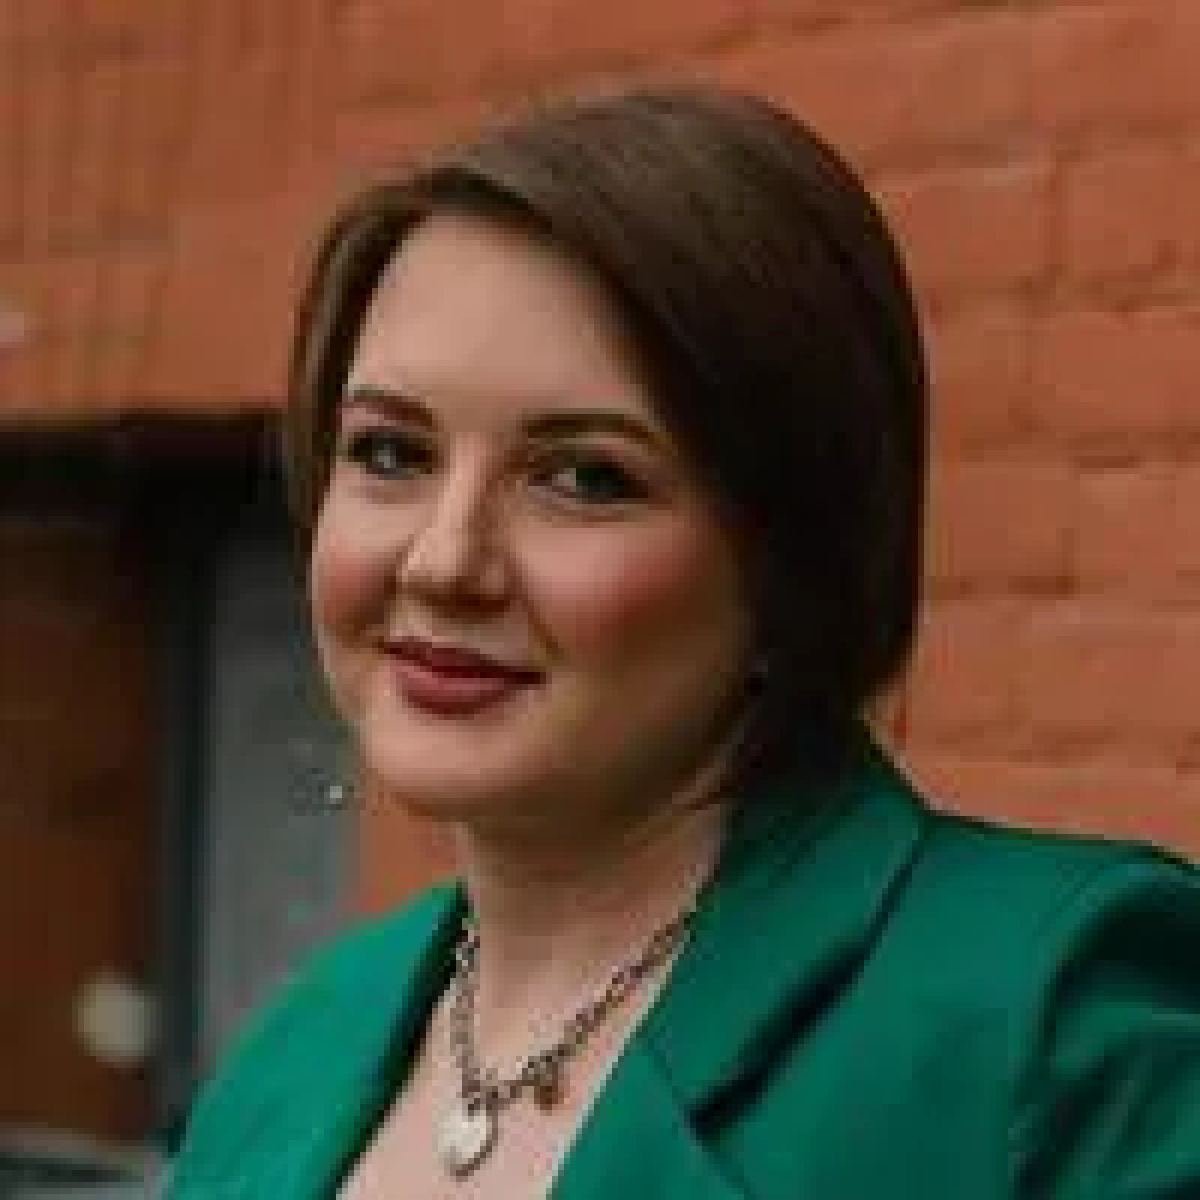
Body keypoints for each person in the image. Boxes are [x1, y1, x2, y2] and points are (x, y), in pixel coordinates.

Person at [166, 84, 1200, 1198]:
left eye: (583, 477)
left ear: (794, 560)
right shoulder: (297, 1049)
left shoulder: (1048, 1031)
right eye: (390, 454)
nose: (442, 561)